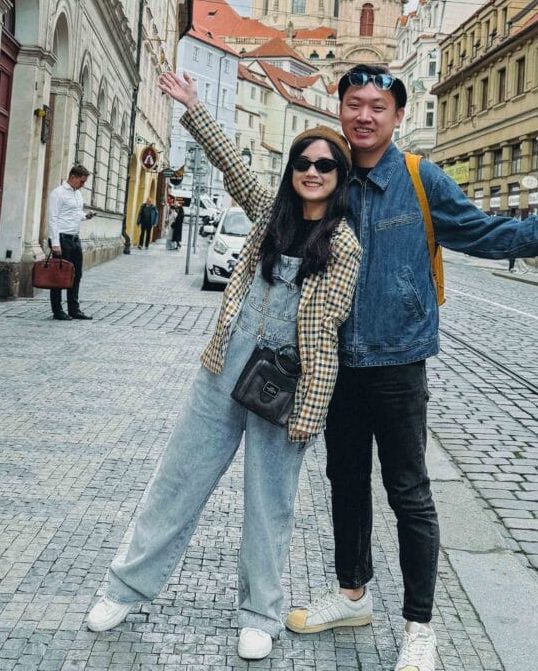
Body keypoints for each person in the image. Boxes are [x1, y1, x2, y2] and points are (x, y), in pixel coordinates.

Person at [285, 63, 538, 671]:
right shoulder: (325, 176)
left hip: (398, 361)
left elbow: (487, 234)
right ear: (339, 109)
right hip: (334, 363)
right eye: (354, 104)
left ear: (397, 117)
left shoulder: (420, 178)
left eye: (378, 107)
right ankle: (352, 594)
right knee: (345, 484)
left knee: (409, 494)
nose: (364, 116)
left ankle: (420, 626)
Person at [85, 70, 361, 662]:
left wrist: (310, 412)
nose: (312, 171)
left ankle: (260, 613)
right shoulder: (269, 216)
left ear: (339, 180)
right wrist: (191, 106)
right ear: (292, 171)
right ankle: (124, 587)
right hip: (224, 365)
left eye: (325, 165)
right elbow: (232, 165)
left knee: (270, 503)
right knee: (178, 479)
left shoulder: (342, 246)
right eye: (303, 162)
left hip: (286, 384)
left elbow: (328, 336)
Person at [47, 163, 96, 321]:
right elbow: (53, 218)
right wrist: (55, 243)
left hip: (75, 238)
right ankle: (57, 310)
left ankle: (74, 309)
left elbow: (74, 213)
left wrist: (85, 215)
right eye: (81, 181)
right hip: (61, 238)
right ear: (72, 177)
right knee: (60, 276)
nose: (82, 185)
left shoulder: (78, 194)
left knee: (76, 274)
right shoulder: (58, 193)